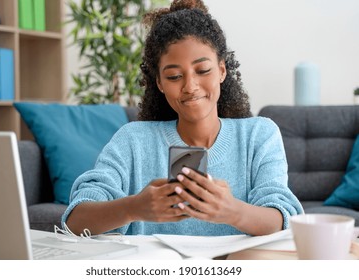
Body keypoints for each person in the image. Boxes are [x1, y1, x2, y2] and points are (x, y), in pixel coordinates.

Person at [62, 0, 303, 236]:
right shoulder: (132, 140)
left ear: (221, 70)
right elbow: (74, 221)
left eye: (203, 70)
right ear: (159, 83)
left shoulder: (259, 135)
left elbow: (284, 220)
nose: (190, 86)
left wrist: (232, 211)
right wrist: (134, 208)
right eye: (175, 76)